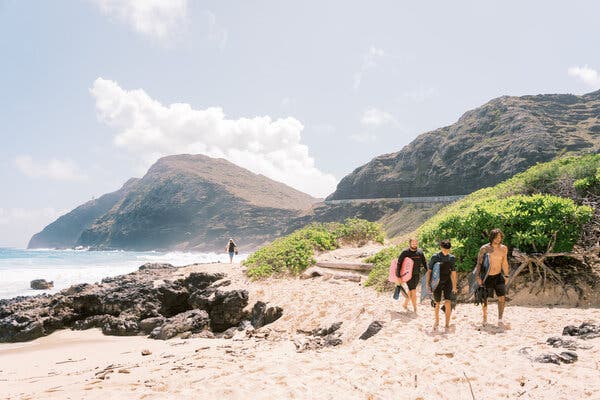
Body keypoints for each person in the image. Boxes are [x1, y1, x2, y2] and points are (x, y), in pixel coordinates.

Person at [475, 228, 509, 327]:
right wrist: (477, 276)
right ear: (492, 237)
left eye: (500, 237)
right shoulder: (484, 248)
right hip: (487, 277)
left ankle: (500, 319)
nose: (499, 239)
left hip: (498, 276)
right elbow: (479, 263)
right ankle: (485, 318)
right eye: (497, 237)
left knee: (502, 297)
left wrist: (506, 275)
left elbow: (505, 263)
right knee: (485, 298)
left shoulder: (503, 248)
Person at [426, 239, 457, 331]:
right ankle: (437, 320)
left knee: (448, 302)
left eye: (448, 250)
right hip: (437, 283)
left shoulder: (451, 258)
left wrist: (455, 286)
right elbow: (430, 271)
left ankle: (447, 323)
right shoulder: (435, 257)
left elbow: (454, 272)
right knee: (437, 302)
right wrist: (428, 284)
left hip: (447, 282)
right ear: (441, 247)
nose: (446, 252)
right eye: (444, 249)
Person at [397, 238, 427, 314]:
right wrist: (398, 275)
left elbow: (424, 262)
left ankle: (405, 304)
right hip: (408, 275)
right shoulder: (405, 252)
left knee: (411, 290)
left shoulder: (420, 252)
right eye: (413, 243)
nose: (414, 244)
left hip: (417, 274)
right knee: (413, 291)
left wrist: (428, 270)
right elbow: (399, 263)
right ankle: (415, 308)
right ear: (410, 243)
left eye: (416, 242)